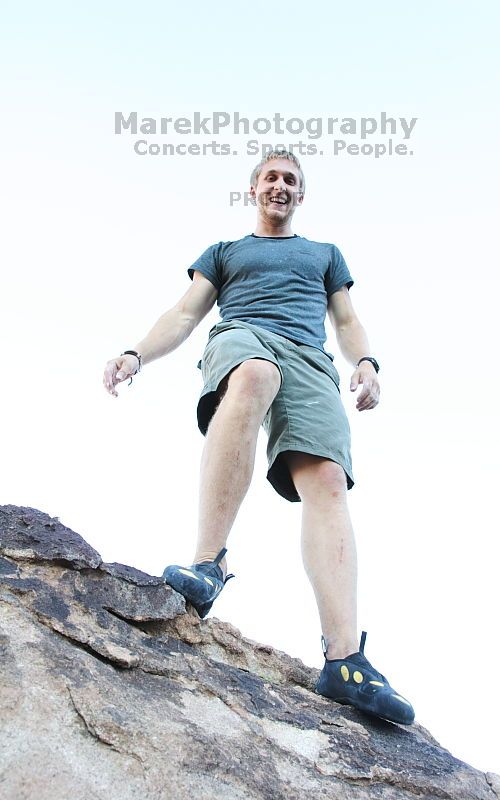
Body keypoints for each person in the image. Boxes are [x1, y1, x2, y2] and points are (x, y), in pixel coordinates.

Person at [102, 149, 415, 725]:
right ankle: (207, 564)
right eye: (271, 177)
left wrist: (366, 362)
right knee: (253, 374)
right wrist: (135, 354)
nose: (280, 185)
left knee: (326, 478)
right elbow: (183, 312)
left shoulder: (323, 255)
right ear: (254, 189)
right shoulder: (224, 252)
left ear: (300, 195)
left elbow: (345, 320)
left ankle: (345, 661)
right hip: (242, 334)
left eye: (291, 180)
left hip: (311, 359)